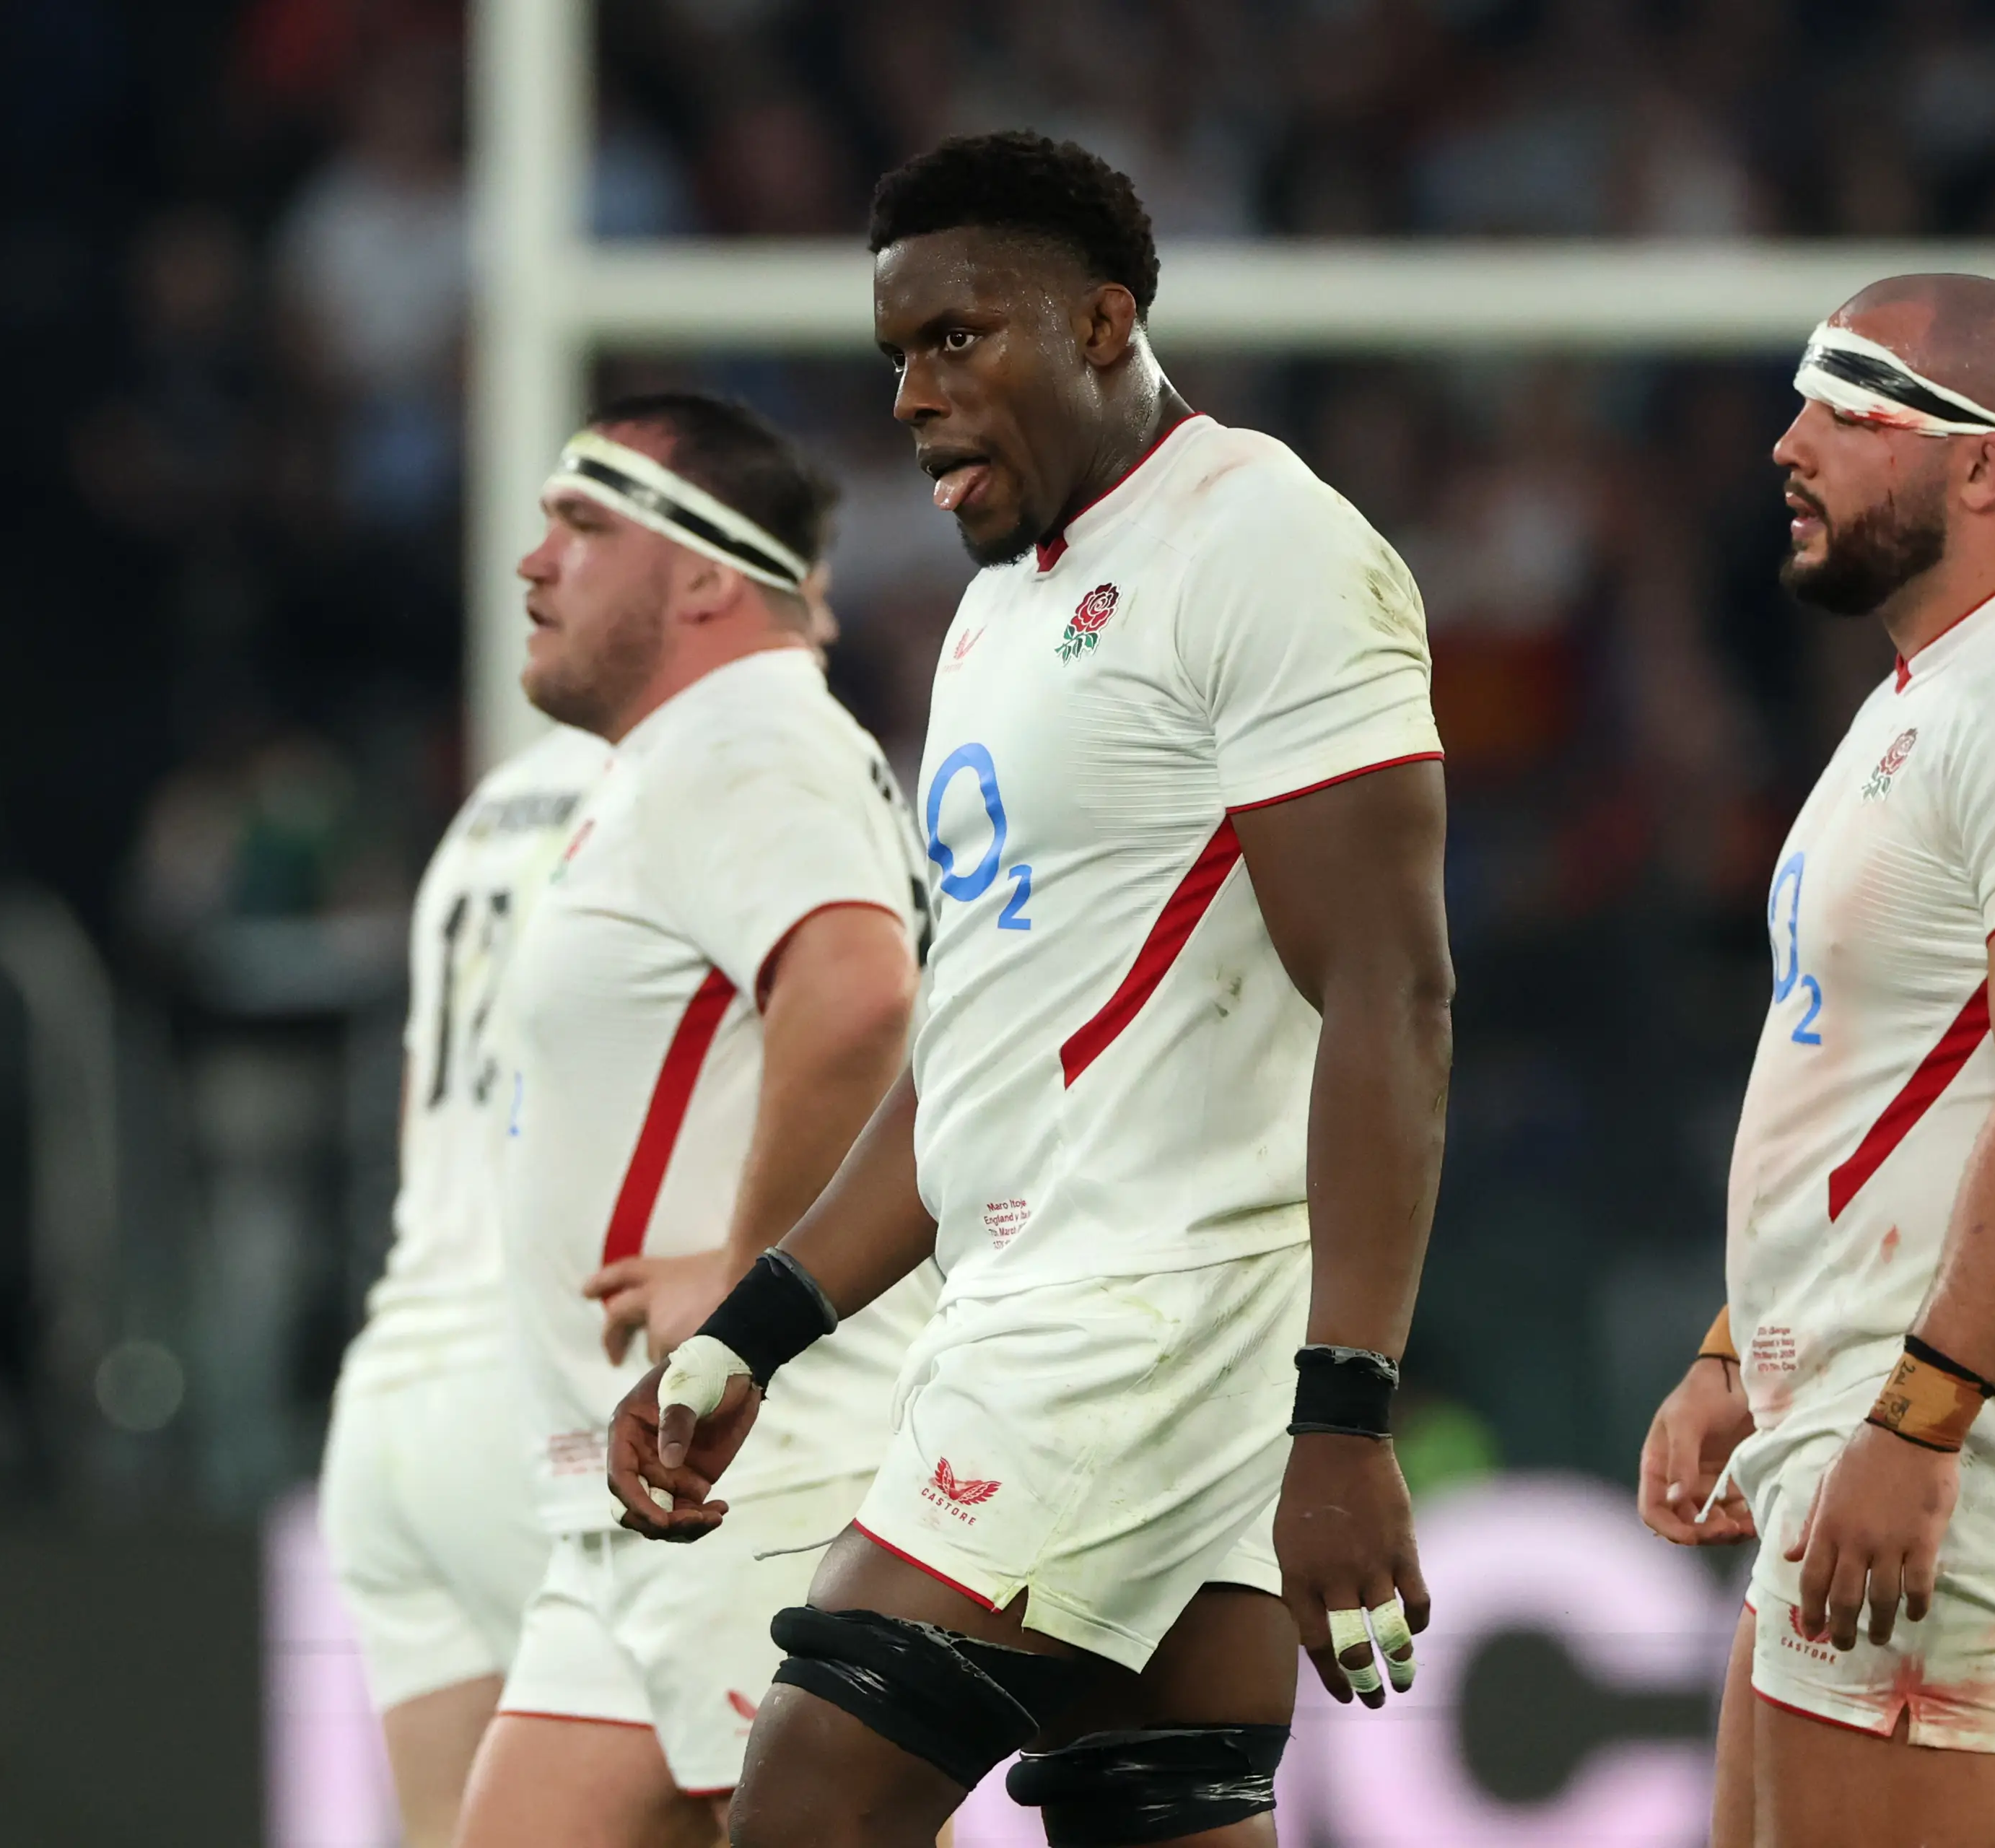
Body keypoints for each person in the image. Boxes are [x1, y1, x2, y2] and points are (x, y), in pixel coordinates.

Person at [606, 131, 1453, 1848]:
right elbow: (975, 1063)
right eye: (897, 356)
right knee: (1159, 1811)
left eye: (957, 337)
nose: (915, 394)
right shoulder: (1000, 617)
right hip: (1039, 1300)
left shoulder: (1265, 543)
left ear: (1100, 321)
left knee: (806, 1805)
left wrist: (1351, 1410)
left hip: (1142, 1318)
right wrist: (753, 1333)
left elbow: (1394, 988)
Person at [1637, 275, 1995, 1847]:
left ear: (1980, 462)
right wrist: (1729, 1345)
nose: (1786, 442)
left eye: (1844, 409)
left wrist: (1924, 1420)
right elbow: (1881, 1070)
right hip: (1870, 1382)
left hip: (1975, 1408)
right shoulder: (1942, 694)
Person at [453, 393, 939, 1848]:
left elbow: (857, 994)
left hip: (761, 1471)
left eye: (584, 524)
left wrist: (744, 1294)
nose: (533, 561)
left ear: (708, 577)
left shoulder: (748, 736)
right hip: (655, 1492)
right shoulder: (684, 762)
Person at [319, 718, 606, 1848]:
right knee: (850, 1800)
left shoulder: (492, 809)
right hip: (546, 1395)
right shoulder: (696, 777)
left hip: (398, 1386)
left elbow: (415, 1104)